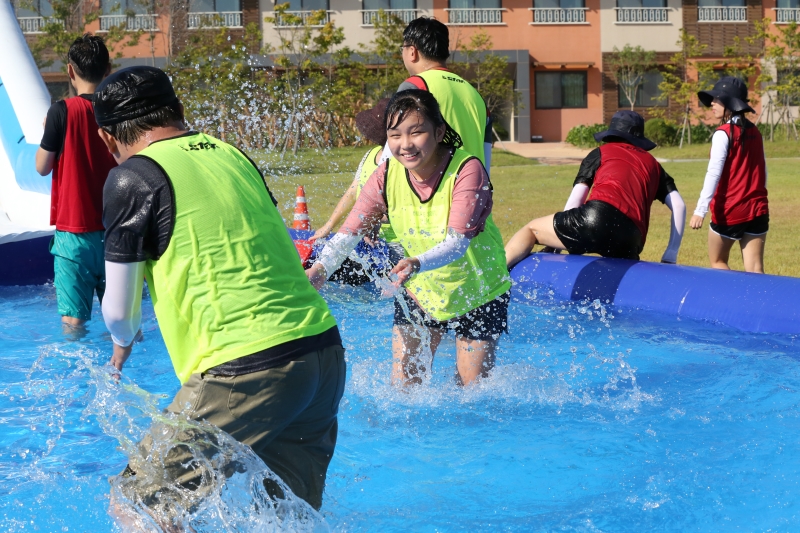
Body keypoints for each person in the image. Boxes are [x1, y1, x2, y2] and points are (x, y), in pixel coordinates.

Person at [95, 66, 345, 511]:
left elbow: (119, 312)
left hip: (244, 368)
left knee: (136, 503)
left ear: (107, 139)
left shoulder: (131, 176)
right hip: (320, 354)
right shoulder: (231, 154)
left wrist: (121, 339)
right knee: (286, 514)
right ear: (180, 111)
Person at [306, 90, 510, 387]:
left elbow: (457, 243)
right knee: (404, 388)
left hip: (478, 290)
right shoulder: (385, 175)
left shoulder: (468, 170)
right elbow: (350, 231)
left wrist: (416, 262)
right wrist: (321, 269)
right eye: (395, 135)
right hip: (421, 289)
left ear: (439, 131)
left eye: (416, 132)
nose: (405, 145)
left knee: (471, 392)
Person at [505, 110, 686, 269]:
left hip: (597, 217)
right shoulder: (654, 165)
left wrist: (558, 243)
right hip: (631, 237)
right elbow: (679, 206)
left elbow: (577, 199)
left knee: (531, 229)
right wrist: (670, 255)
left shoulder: (601, 152)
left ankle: (493, 277)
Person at [35, 34, 117, 332]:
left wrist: (48, 132)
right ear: (109, 69)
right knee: (123, 323)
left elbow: (42, 167)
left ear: (70, 71)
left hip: (74, 234)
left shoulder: (62, 111)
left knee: (73, 323)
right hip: (116, 231)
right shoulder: (120, 110)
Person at [690, 76, 768, 273]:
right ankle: (757, 304)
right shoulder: (756, 132)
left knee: (718, 262)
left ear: (731, 103)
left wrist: (700, 210)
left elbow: (713, 174)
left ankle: (730, 303)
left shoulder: (723, 133)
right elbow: (763, 171)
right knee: (756, 269)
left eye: (718, 99)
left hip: (730, 210)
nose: (712, 104)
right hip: (758, 209)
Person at [397, 17, 493, 171]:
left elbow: (398, 148)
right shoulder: (475, 95)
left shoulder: (414, 87)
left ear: (412, 52)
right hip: (472, 188)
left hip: (433, 191)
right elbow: (485, 161)